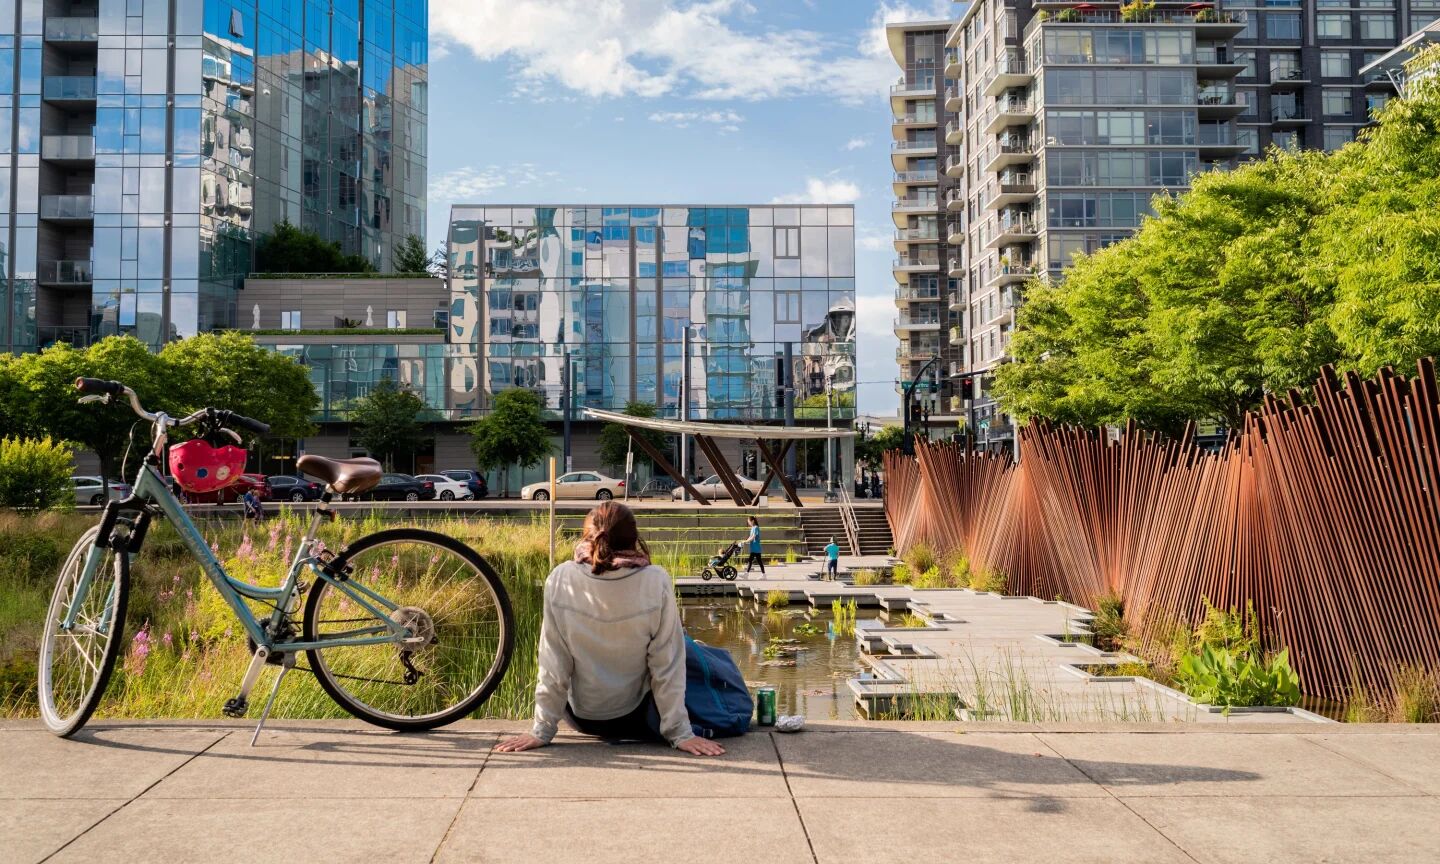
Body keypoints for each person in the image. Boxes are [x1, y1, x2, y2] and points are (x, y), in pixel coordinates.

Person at [495, 501, 725, 757]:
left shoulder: (560, 578)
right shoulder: (655, 580)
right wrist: (680, 733)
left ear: (587, 537)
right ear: (634, 539)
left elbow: (553, 661)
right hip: (636, 715)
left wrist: (541, 730)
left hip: (580, 718)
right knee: (686, 646)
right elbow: (666, 664)